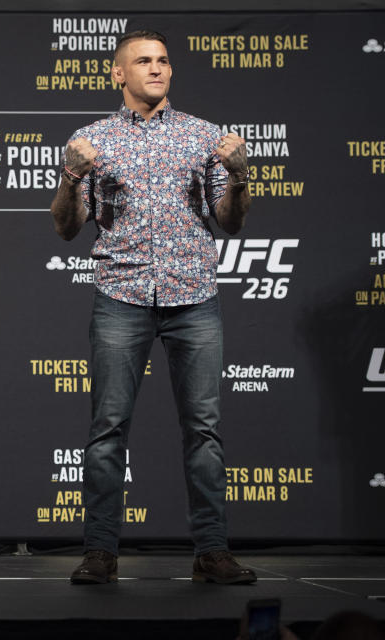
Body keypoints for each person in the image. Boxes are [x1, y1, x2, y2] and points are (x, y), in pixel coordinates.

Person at [49, 29, 255, 585]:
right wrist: (71, 174)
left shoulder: (204, 136)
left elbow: (231, 221)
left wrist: (238, 174)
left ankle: (212, 551)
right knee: (108, 428)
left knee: (204, 431)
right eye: (143, 61)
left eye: (163, 61)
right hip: (122, 295)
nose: (157, 69)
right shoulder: (90, 140)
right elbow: (67, 228)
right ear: (118, 74)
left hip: (194, 298)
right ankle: (100, 552)